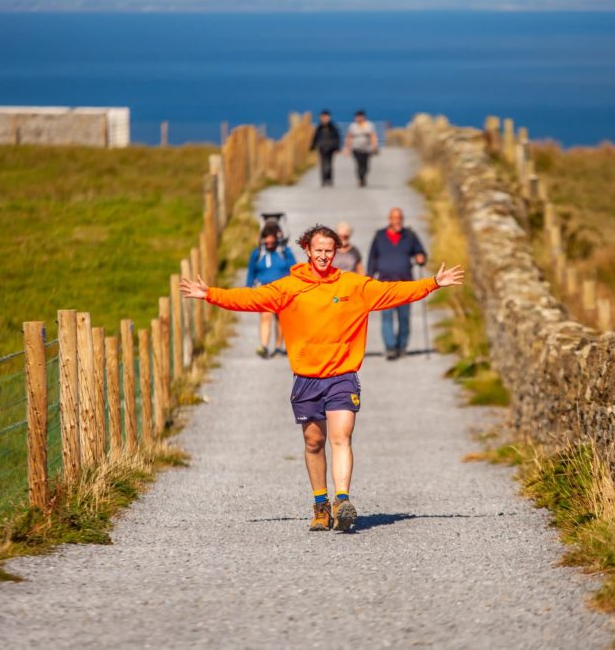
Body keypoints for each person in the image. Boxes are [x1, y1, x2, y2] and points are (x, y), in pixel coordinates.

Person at [181, 224, 463, 532]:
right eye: (319, 251)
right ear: (308, 250)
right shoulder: (288, 287)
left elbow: (394, 291)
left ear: (337, 251)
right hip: (307, 379)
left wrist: (433, 283)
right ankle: (320, 505)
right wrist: (210, 294)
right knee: (314, 441)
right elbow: (250, 298)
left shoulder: (354, 285)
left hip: (342, 375)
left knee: (342, 436)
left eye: (330, 251)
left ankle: (343, 501)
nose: (325, 256)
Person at [368, 207, 427, 360]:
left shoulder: (410, 235)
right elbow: (372, 258)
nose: (397, 221)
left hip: (405, 284)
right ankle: (390, 347)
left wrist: (421, 258)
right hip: (385, 285)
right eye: (394, 218)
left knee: (404, 317)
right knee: (387, 317)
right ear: (389, 219)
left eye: (400, 218)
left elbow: (420, 252)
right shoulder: (379, 236)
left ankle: (401, 346)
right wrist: (368, 279)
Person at [246, 222, 296, 358]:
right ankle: (264, 346)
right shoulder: (257, 253)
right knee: (265, 316)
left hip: (282, 290)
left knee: (281, 319)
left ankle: (279, 347)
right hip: (264, 289)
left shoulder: (285, 252)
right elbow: (251, 271)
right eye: (266, 238)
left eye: (271, 238)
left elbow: (294, 268)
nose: (268, 241)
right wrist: (248, 289)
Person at [344, 109, 378, 187]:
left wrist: (374, 145)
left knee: (366, 165)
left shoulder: (369, 125)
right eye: (357, 117)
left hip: (367, 148)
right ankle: (360, 179)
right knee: (358, 164)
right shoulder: (352, 126)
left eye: (360, 117)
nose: (358, 118)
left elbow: (373, 135)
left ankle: (363, 177)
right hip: (356, 148)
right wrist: (347, 148)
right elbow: (349, 137)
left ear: (364, 117)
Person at [309, 109, 341, 186]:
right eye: (323, 117)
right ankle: (324, 180)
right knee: (323, 164)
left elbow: (337, 137)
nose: (324, 119)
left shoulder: (333, 127)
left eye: (326, 117)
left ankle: (329, 179)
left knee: (329, 164)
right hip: (322, 147)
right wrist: (312, 146)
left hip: (331, 147)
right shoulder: (319, 127)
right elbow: (315, 137)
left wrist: (337, 147)